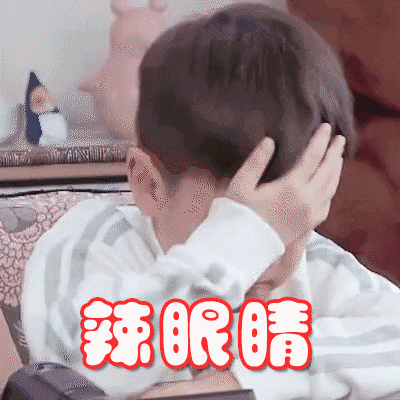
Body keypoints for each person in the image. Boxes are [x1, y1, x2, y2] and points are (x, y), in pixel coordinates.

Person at [22, 3, 400, 399]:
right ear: (149, 185)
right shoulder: (92, 246)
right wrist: (241, 239)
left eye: (289, 217)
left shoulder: (313, 265)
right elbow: (74, 368)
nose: (269, 253)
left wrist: (244, 381)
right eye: (238, 218)